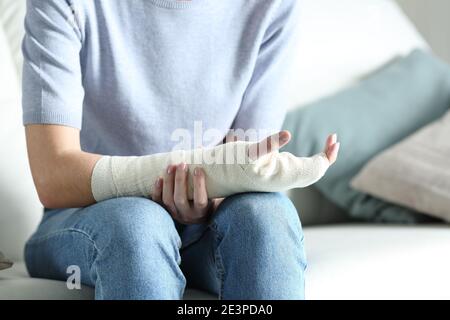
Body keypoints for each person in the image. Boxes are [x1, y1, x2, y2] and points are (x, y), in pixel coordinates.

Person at [22, 0, 338, 299]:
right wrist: (175, 183)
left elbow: (248, 168)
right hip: (89, 220)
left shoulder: (272, 5)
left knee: (267, 219)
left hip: (210, 223)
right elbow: (53, 176)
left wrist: (205, 198)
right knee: (137, 226)